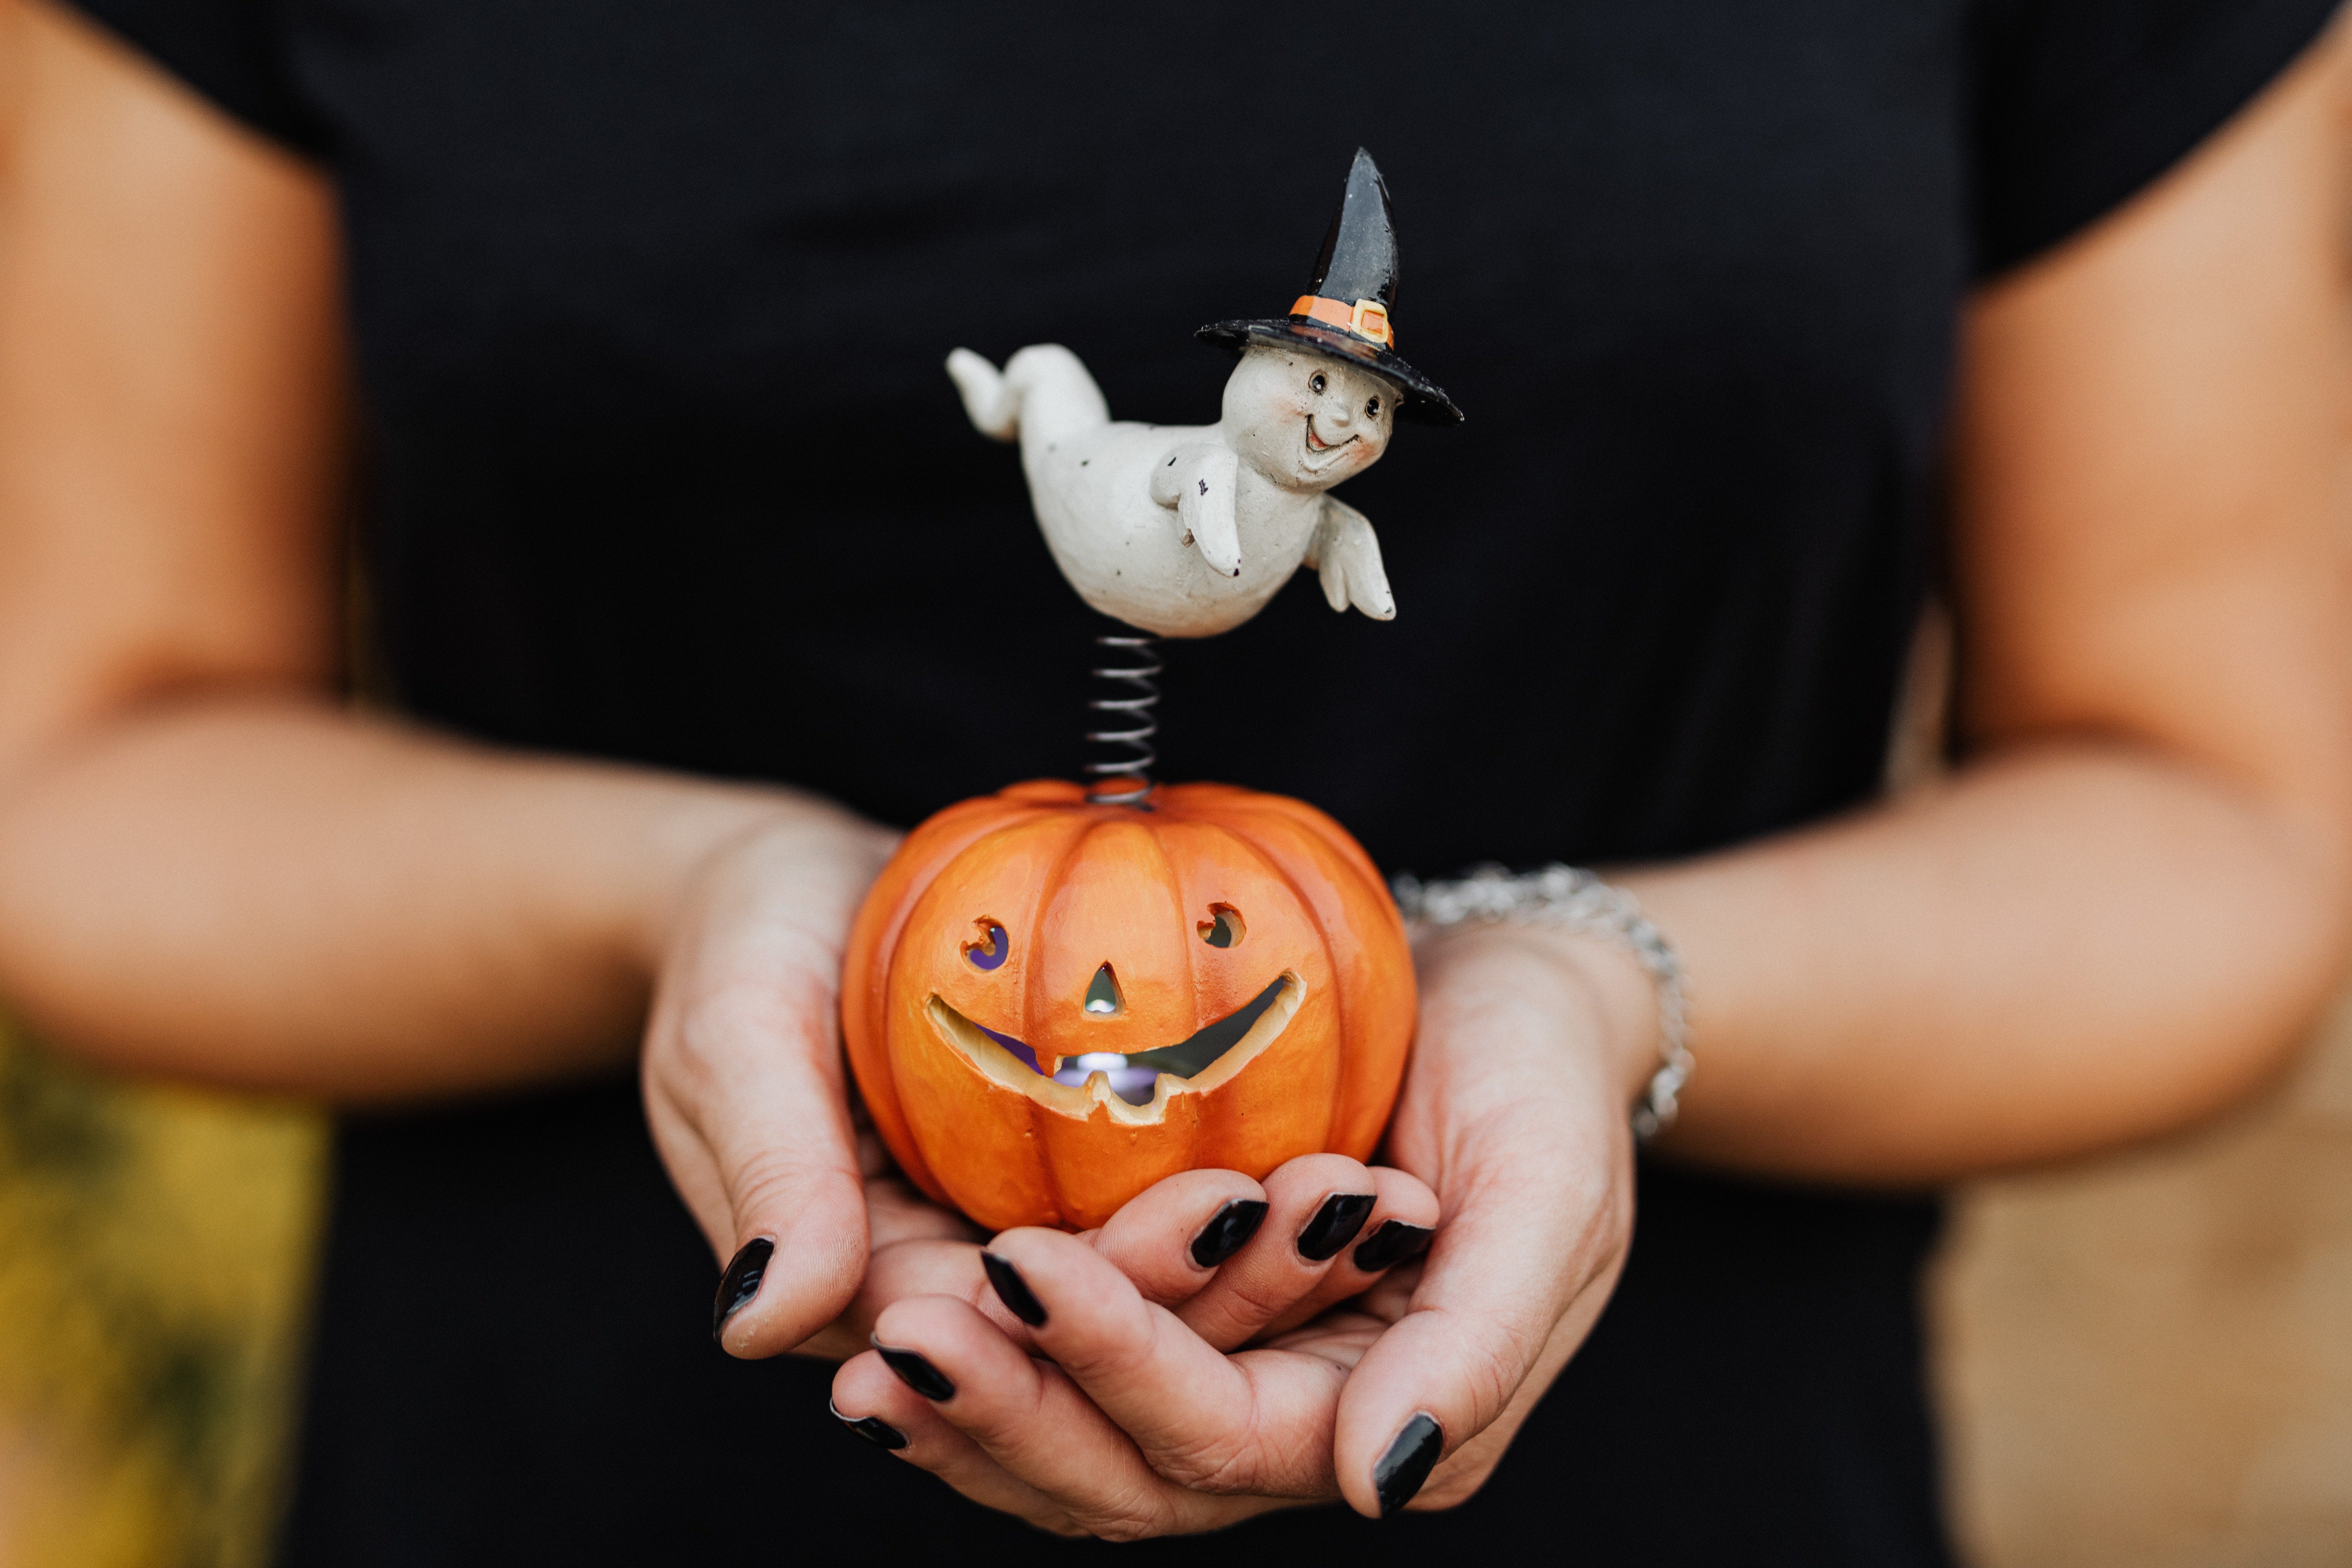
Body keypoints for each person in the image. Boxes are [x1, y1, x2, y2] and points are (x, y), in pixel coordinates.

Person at [0, 0, 2347, 1561]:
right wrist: (697, 894)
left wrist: (1574, 981)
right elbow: (84, 772)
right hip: (556, 1481)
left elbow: (2210, 819)